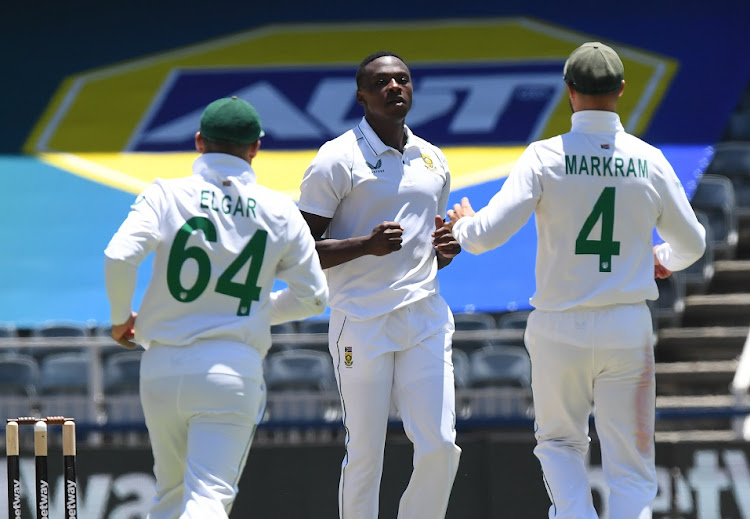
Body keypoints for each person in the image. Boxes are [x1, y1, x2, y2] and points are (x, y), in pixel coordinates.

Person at [446, 42, 706, 519]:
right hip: (627, 326)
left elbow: (485, 237)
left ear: (570, 92)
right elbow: (693, 244)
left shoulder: (544, 157)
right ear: (622, 90)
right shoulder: (648, 159)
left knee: (561, 443)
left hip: (558, 325)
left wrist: (464, 223)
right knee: (630, 464)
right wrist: (661, 259)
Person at [104, 96, 328, 519]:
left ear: (199, 142)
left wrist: (121, 321)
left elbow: (119, 257)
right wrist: (257, 310)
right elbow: (313, 297)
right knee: (207, 499)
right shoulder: (279, 208)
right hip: (230, 367)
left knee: (169, 496)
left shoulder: (166, 194)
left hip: (162, 365)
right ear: (255, 148)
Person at [297, 51, 462, 519]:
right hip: (361, 320)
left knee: (442, 445)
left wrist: (444, 253)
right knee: (367, 453)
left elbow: (426, 249)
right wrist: (363, 246)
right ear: (362, 96)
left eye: (403, 80)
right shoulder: (337, 158)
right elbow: (298, 253)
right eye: (382, 82)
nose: (395, 87)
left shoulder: (433, 158)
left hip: (425, 316)